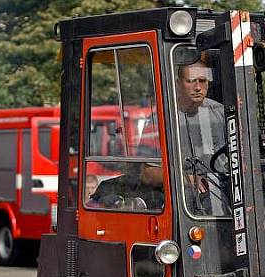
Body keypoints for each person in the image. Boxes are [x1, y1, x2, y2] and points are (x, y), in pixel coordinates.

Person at [175, 55, 229, 216]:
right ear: (178, 83)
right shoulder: (164, 118)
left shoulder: (223, 113)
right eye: (191, 81)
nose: (198, 87)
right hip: (183, 198)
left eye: (203, 80)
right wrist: (186, 178)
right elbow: (148, 173)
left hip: (223, 188)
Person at [88, 162, 164, 211]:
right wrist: (120, 203)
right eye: (161, 167)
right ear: (144, 167)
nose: (164, 171)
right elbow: (93, 204)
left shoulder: (168, 192)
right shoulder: (117, 184)